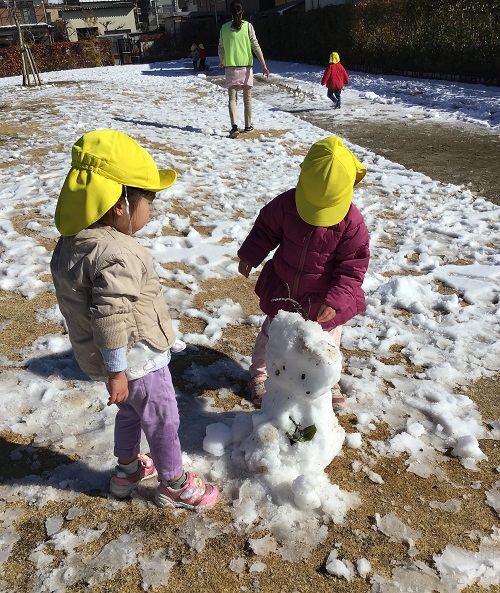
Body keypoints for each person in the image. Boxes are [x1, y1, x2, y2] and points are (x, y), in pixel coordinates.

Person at [50, 129, 219, 510]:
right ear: (119, 206)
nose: (151, 210)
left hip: (124, 360)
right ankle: (175, 482)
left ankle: (127, 470)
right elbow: (111, 315)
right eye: (148, 201)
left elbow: (118, 306)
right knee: (162, 419)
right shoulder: (117, 253)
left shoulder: (76, 241)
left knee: (130, 413)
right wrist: (117, 370)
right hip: (136, 360)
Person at [237, 136, 370, 411]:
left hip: (325, 300)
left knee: (327, 345)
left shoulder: (352, 223)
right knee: (271, 334)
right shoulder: (287, 204)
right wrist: (251, 253)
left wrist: (336, 300)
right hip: (285, 289)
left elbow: (352, 267)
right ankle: (260, 373)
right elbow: (266, 229)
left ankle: (327, 380)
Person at [218, 1, 270, 139]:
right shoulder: (248, 26)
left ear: (230, 13)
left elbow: (221, 47)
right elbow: (256, 46)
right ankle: (248, 126)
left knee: (232, 99)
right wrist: (264, 65)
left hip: (231, 67)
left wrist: (222, 59)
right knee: (247, 99)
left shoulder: (224, 28)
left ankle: (234, 127)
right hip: (246, 67)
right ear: (242, 12)